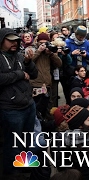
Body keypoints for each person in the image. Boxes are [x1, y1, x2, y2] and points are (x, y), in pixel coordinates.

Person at [0, 28, 38, 177]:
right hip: (11, 109)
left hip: (28, 104)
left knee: (27, 141)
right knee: (13, 143)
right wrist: (20, 74)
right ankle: (12, 172)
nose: (14, 43)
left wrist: (28, 62)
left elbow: (34, 75)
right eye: (10, 40)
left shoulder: (21, 56)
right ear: (2, 40)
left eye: (16, 40)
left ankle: (25, 167)